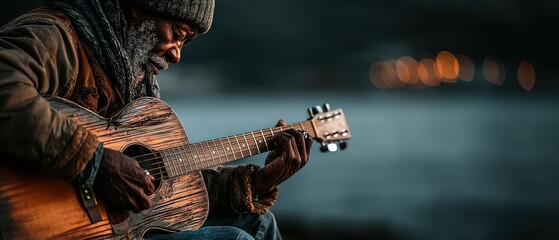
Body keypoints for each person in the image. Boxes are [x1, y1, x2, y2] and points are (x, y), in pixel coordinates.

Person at [0, 0, 312, 239]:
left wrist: (254, 183)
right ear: (141, 8)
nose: (176, 55)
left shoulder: (135, 80)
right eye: (177, 34)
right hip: (45, 225)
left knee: (257, 223)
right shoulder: (56, 36)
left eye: (185, 43)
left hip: (122, 228)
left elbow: (163, 184)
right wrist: (93, 162)